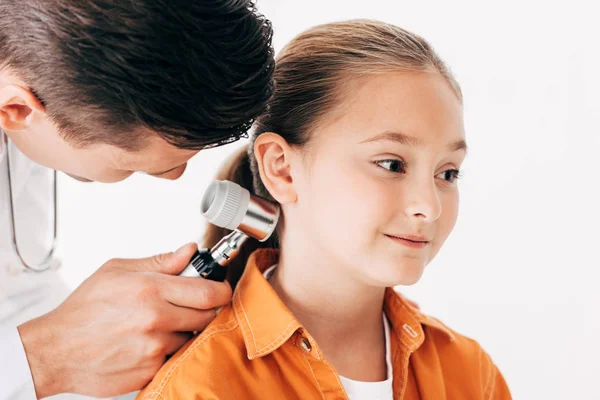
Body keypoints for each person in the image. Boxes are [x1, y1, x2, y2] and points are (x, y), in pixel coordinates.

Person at [137, 20, 512, 399]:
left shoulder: (469, 373)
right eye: (391, 164)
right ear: (282, 168)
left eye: (447, 172)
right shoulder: (200, 386)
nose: (428, 207)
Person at [0, 0, 274, 398]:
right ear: (18, 111)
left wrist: (116, 345)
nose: (176, 175)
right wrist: (44, 357)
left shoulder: (37, 75)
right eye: (133, 164)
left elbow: (17, 287)